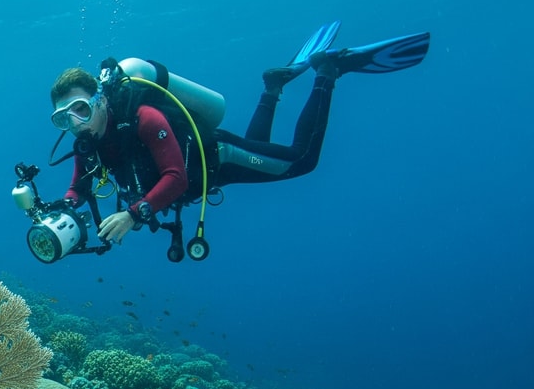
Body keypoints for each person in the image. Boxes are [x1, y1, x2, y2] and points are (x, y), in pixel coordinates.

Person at [49, 23, 430, 247]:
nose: (76, 123)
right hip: (206, 176)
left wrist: (134, 214)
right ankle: (272, 87)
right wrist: (66, 204)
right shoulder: (88, 141)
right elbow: (78, 186)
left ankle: (327, 73)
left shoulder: (144, 116)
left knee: (300, 161)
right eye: (63, 119)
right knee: (263, 146)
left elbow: (176, 177)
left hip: (217, 157)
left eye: (80, 109)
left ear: (99, 101)